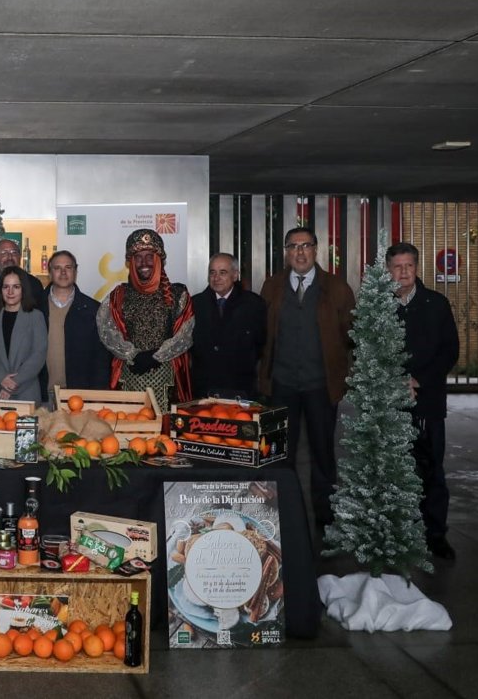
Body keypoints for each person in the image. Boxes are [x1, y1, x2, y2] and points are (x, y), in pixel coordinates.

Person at [259, 227, 355, 529]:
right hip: (281, 385)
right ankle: (282, 517)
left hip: (320, 386)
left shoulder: (337, 288)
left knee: (322, 454)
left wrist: (344, 374)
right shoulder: (272, 286)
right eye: (293, 246)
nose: (300, 252)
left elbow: (351, 336)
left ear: (316, 250)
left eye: (306, 245)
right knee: (279, 454)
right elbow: (262, 333)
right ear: (286, 252)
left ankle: (325, 519)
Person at [387, 241, 460, 560]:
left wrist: (419, 381)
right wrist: (395, 382)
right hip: (389, 403)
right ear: (388, 270)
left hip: (428, 402)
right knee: (391, 471)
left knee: (432, 471)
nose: (404, 272)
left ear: (417, 268)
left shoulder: (436, 304)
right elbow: (365, 351)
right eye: (397, 266)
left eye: (409, 265)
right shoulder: (378, 307)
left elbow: (449, 350)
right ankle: (396, 534)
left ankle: (435, 534)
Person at [98, 228, 194, 402]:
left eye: (150, 256)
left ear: (159, 260)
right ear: (130, 262)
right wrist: (132, 354)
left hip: (169, 378)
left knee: (167, 419)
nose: (144, 263)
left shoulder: (178, 295)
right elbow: (107, 329)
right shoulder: (118, 295)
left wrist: (157, 356)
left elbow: (185, 334)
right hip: (129, 374)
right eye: (138, 257)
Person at [190, 252, 267, 399]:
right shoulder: (195, 304)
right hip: (204, 388)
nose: (216, 278)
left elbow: (260, 343)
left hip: (240, 388)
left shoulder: (253, 304)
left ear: (235, 275)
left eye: (223, 272)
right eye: (212, 272)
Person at [38, 249, 111, 402]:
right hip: (40, 394)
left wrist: (96, 396)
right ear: (50, 272)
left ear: (75, 271)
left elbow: (102, 357)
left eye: (68, 267)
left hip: (79, 397)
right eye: (57, 268)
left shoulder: (93, 309)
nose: (63, 272)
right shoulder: (35, 307)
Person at [0, 267, 49, 403]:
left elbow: (38, 355)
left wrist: (12, 383)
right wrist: (0, 379)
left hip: (26, 391)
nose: (10, 292)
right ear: (0, 290)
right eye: (6, 287)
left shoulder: (36, 317)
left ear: (23, 289)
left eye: (16, 287)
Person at [0, 238, 48, 313]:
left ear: (20, 257)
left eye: (14, 252)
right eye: (4, 253)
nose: (9, 257)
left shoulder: (34, 284)